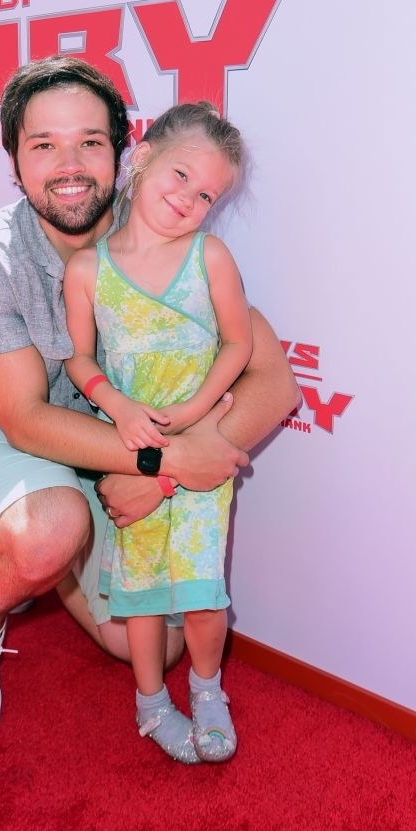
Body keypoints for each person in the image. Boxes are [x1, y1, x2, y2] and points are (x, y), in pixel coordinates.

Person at [0, 55, 300, 757]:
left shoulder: (164, 222)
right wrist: (166, 462)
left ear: (124, 147)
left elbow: (274, 381)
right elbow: (27, 419)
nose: (69, 164)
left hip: (115, 447)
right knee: (50, 525)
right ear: (14, 162)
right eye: (43, 145)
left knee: (151, 643)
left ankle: (48, 555)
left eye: (90, 142)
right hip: (6, 428)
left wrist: (157, 475)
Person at [63, 102, 252, 763]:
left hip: (199, 457)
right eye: (180, 176)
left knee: (203, 593)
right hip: (133, 453)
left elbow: (238, 343)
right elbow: (79, 359)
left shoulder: (211, 258)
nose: (189, 200)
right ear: (141, 157)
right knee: (141, 595)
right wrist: (113, 402)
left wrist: (201, 408)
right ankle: (150, 702)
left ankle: (208, 691)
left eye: (206, 195)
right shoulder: (88, 271)